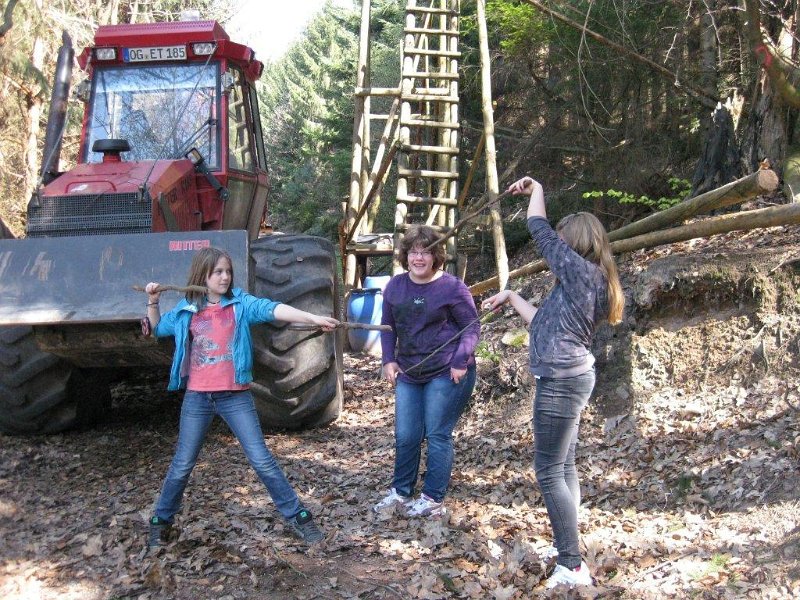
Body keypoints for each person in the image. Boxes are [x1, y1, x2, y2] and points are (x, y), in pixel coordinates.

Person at [143, 246, 339, 548]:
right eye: (218, 272)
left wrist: (312, 318)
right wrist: (152, 303)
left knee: (261, 459)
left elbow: (273, 308)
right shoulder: (186, 309)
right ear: (202, 275)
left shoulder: (240, 305)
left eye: (228, 271)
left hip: (234, 397)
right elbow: (157, 329)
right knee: (183, 463)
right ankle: (161, 521)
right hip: (198, 398)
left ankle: (299, 517)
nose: (224, 277)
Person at [483, 176, 624, 589]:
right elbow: (543, 324)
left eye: (564, 239)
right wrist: (510, 298)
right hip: (570, 376)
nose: (556, 246)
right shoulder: (583, 281)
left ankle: (572, 564)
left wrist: (538, 189)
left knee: (547, 470)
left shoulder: (582, 274)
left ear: (575, 242)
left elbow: (538, 229)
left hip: (562, 381)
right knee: (563, 465)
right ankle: (569, 546)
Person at [373, 225, 480, 517]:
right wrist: (387, 360)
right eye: (413, 252)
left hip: (446, 370)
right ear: (405, 256)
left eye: (425, 252)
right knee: (406, 434)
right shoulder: (395, 286)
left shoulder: (453, 287)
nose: (418, 258)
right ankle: (401, 492)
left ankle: (432, 497)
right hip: (409, 370)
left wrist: (460, 361)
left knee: (437, 434)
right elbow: (388, 327)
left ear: (436, 256)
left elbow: (471, 328)